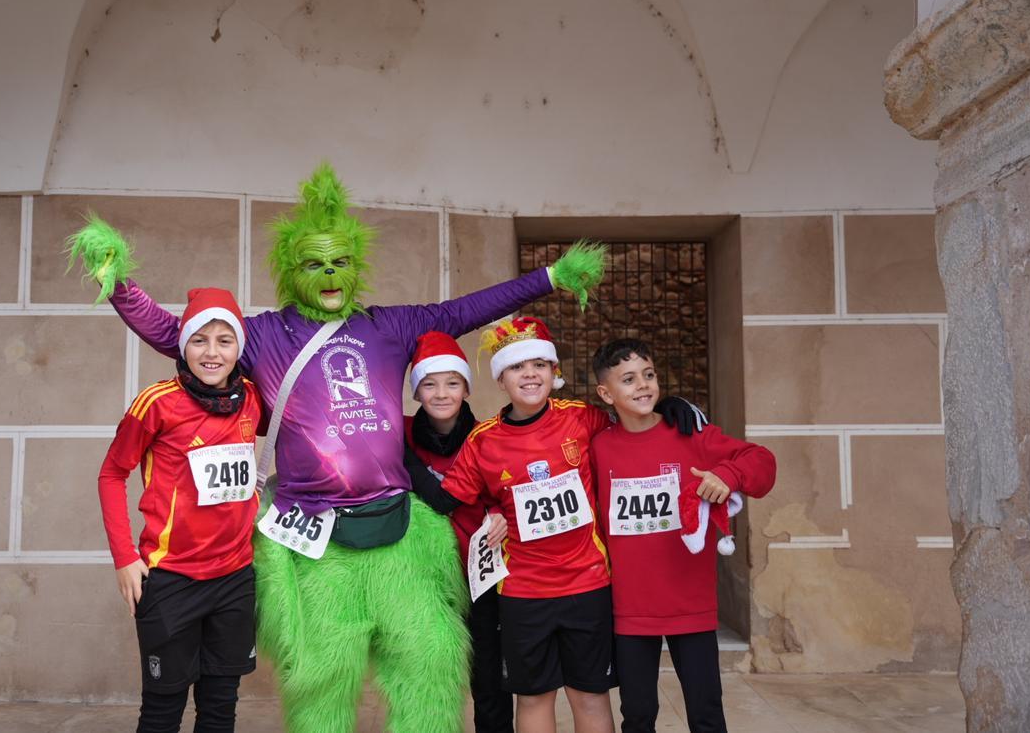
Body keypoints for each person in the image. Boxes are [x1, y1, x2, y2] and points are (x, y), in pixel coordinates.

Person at [68, 163, 620, 733]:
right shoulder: (259, 335)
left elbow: (466, 310)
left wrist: (550, 276)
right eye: (315, 263)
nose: (330, 273)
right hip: (317, 541)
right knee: (321, 681)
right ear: (291, 270)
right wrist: (120, 282)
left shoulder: (389, 325)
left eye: (340, 261)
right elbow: (173, 333)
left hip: (399, 532)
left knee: (430, 663)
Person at [422, 316, 618, 733]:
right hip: (523, 593)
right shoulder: (483, 441)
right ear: (502, 379)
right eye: (516, 366)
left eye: (539, 364)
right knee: (533, 697)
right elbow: (445, 500)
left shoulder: (583, 419)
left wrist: (672, 410)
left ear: (553, 371)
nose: (529, 374)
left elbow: (634, 432)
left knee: (590, 696)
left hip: (588, 585)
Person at [590, 338, 776, 733]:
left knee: (706, 713)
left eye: (649, 375)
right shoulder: (599, 447)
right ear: (606, 393)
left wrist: (728, 475)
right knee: (637, 715)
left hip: (689, 603)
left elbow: (762, 462)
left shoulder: (692, 435)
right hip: (629, 608)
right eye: (628, 379)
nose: (642, 385)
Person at [98, 288, 263, 733]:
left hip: (235, 578)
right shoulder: (157, 403)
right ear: (183, 344)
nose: (211, 352)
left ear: (239, 349)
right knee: (162, 711)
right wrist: (124, 558)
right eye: (199, 340)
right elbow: (111, 474)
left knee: (219, 708)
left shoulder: (251, 397)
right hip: (172, 579)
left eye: (224, 341)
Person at [403, 331, 513, 733]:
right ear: (416, 392)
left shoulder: (490, 434)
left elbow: (513, 485)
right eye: (429, 383)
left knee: (488, 675)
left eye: (452, 382)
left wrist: (503, 512)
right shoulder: (396, 434)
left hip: (479, 571)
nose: (441, 393)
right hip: (421, 576)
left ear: (466, 387)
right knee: (428, 675)